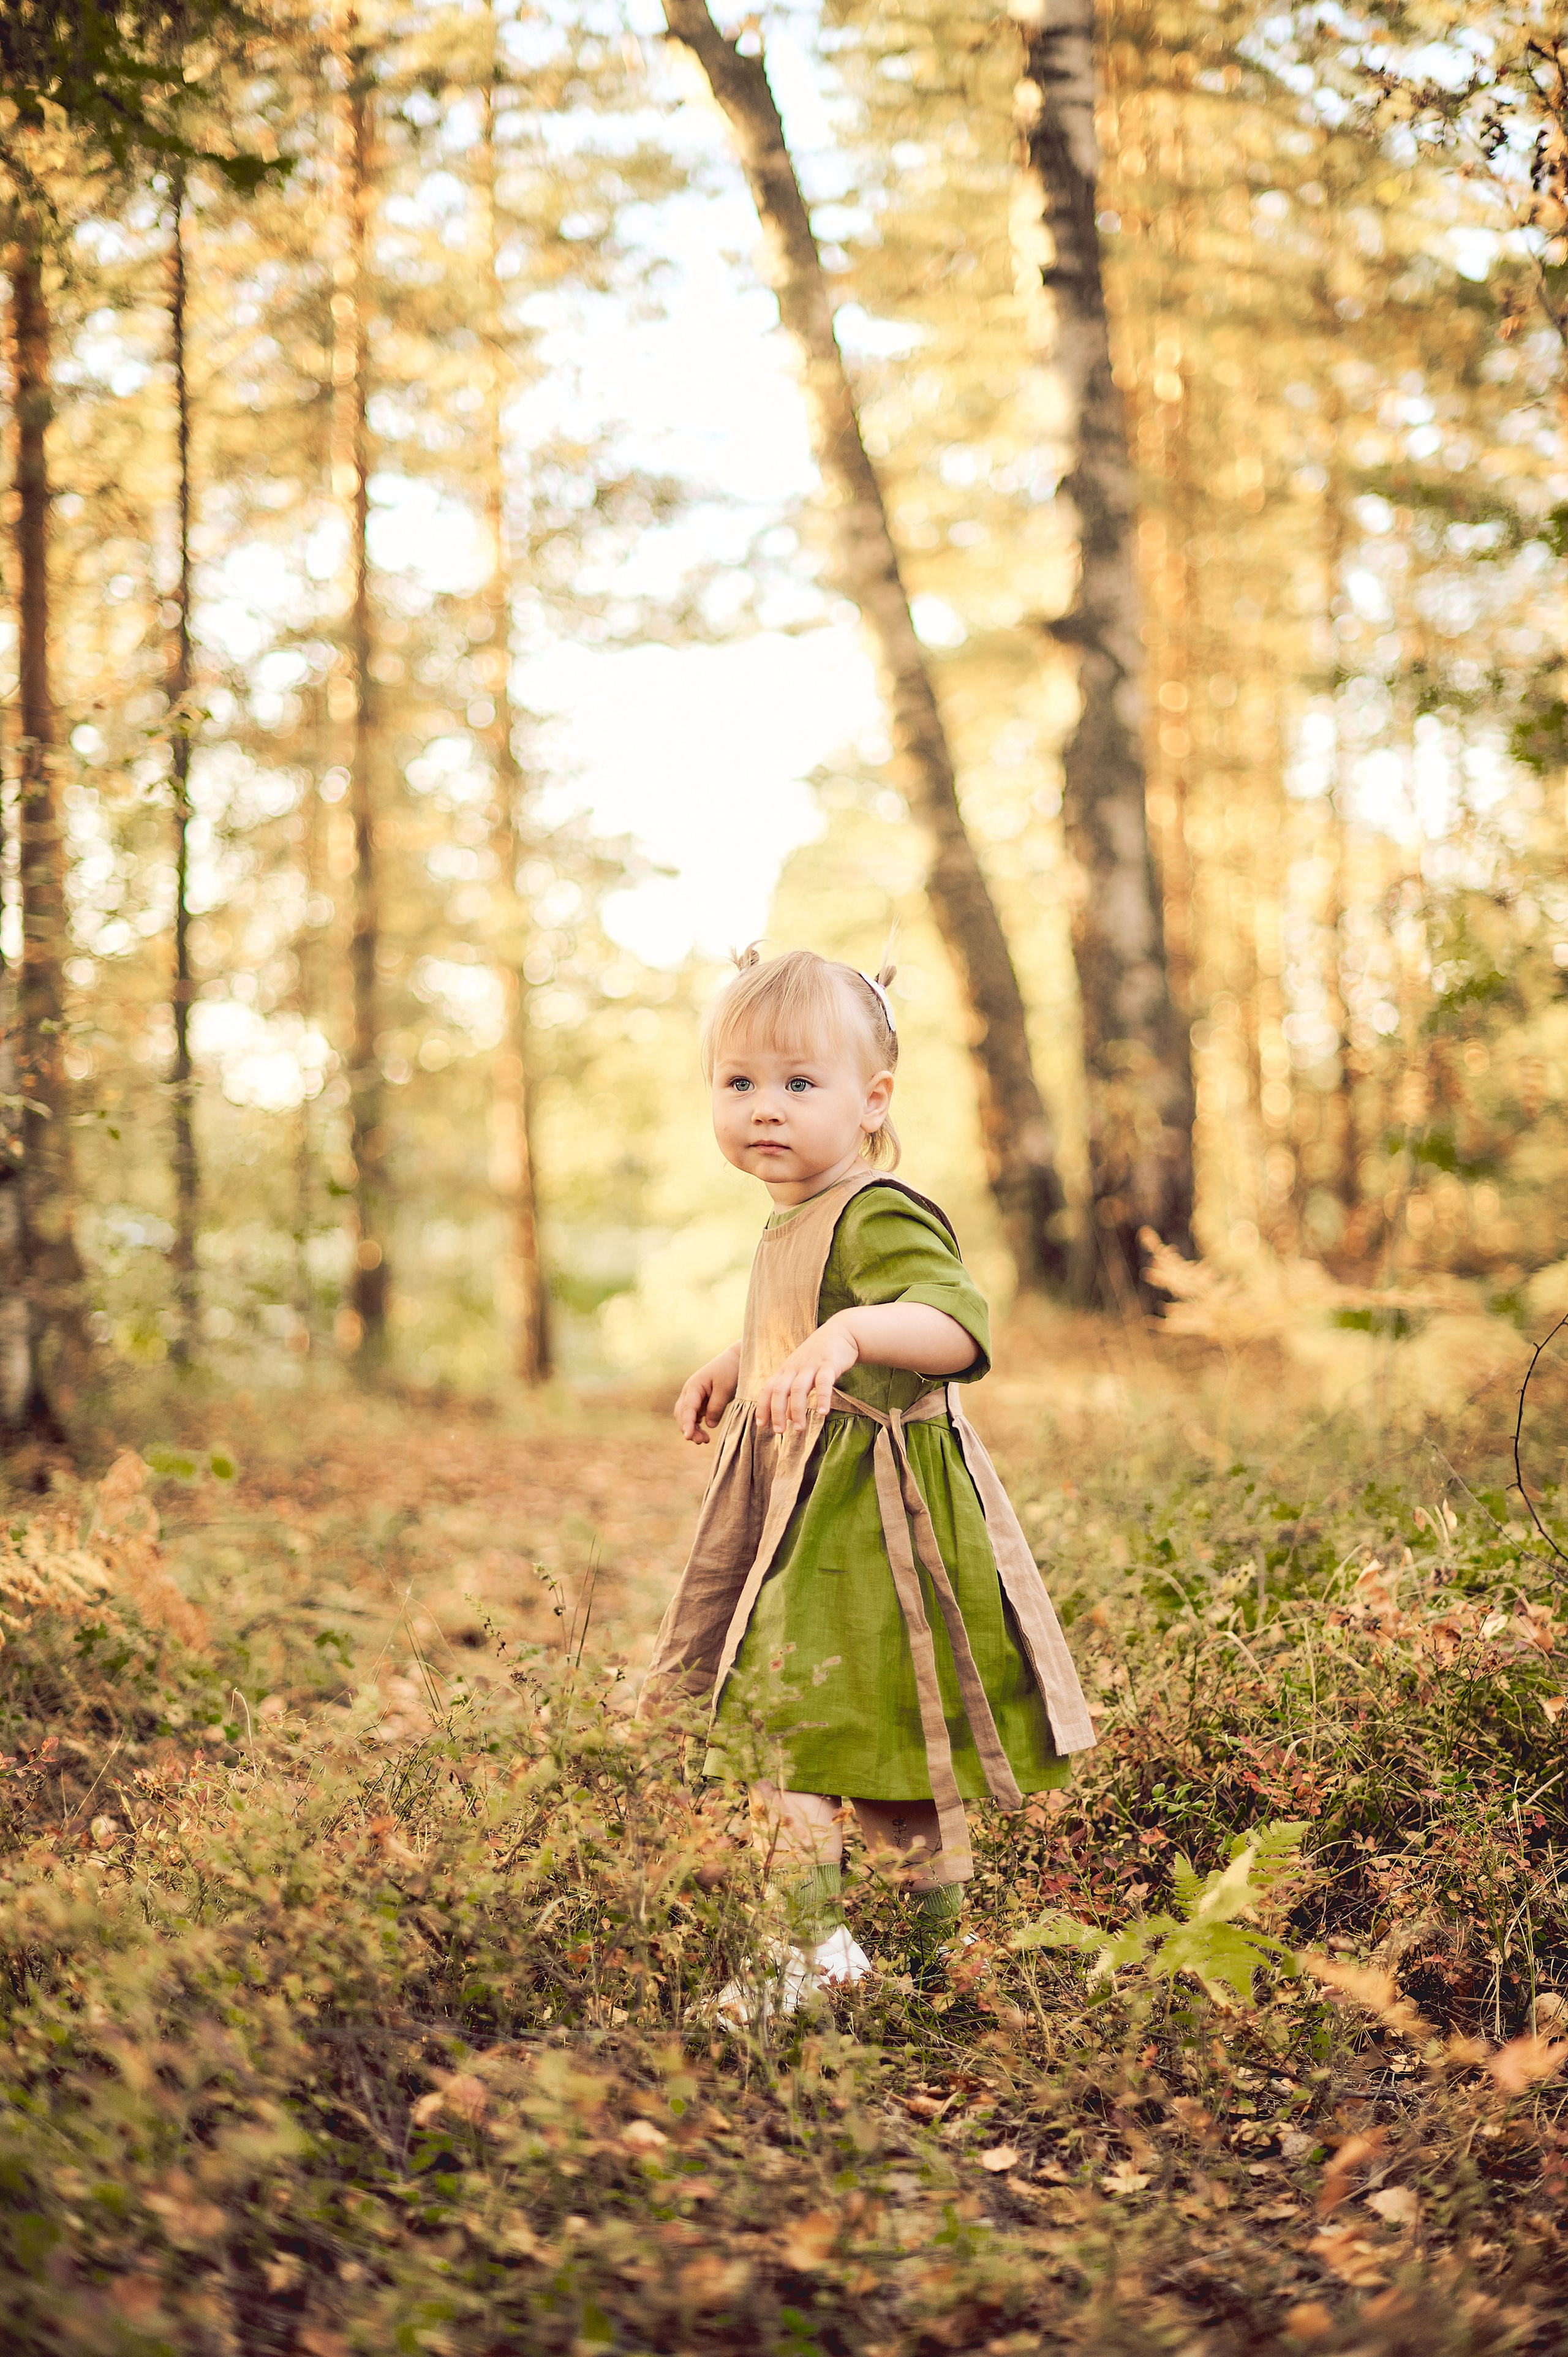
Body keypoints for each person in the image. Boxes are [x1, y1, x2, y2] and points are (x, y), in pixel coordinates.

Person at [640, 945, 1094, 2013]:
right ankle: (901, 1970)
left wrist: (848, 1334)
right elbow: (797, 1314)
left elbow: (954, 1325)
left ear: (872, 1099)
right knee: (852, 1742)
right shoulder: (792, 1212)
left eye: (801, 1084)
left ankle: (832, 1964)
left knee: (815, 1738)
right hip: (816, 1521)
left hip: (878, 1527)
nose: (766, 1108)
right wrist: (741, 1362)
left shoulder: (880, 1206)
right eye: (740, 1081)